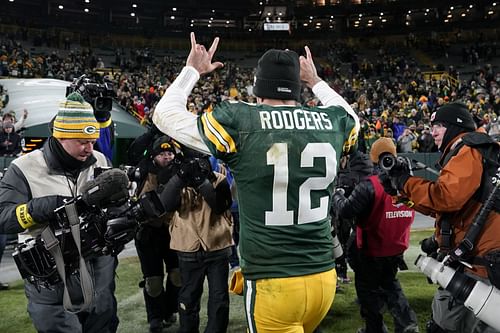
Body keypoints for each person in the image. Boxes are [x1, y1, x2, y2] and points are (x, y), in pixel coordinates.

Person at [153, 32, 359, 333]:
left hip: (273, 280)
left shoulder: (240, 120)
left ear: (258, 89)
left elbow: (165, 115)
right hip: (322, 278)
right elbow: (351, 115)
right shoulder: (331, 121)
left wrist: (192, 72)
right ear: (296, 89)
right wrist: (316, 81)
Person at [0, 92, 119, 333]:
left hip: (97, 267)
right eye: (82, 142)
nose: (89, 148)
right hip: (50, 275)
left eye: (93, 141)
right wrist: (47, 207)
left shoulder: (100, 159)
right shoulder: (24, 167)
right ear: (60, 136)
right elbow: (4, 218)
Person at [382, 102, 500, 333]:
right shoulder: (481, 150)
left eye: (439, 126)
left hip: (478, 269)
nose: (433, 132)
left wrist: (405, 182)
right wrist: (401, 193)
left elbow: (446, 198)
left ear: (456, 127)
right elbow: (446, 209)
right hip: (480, 264)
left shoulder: (468, 149)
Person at [332, 137, 419, 333]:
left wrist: (336, 195)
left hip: (371, 248)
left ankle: (375, 329)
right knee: (391, 285)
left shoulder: (370, 184)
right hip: (396, 246)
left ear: (373, 158)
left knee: (367, 292)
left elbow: (346, 211)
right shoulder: (409, 182)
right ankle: (407, 323)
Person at [160, 149, 233, 333]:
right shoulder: (176, 181)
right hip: (188, 247)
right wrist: (180, 177)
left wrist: (202, 181)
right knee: (188, 298)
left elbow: (219, 206)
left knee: (219, 298)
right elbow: (166, 205)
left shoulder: (219, 179)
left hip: (217, 246)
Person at [134, 135, 181, 333]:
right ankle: (155, 317)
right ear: (153, 155)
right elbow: (137, 148)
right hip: (148, 232)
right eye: (162, 154)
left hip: (172, 230)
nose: (167, 157)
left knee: (177, 276)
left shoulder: (179, 172)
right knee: (153, 281)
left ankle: (170, 310)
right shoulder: (143, 170)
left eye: (169, 153)